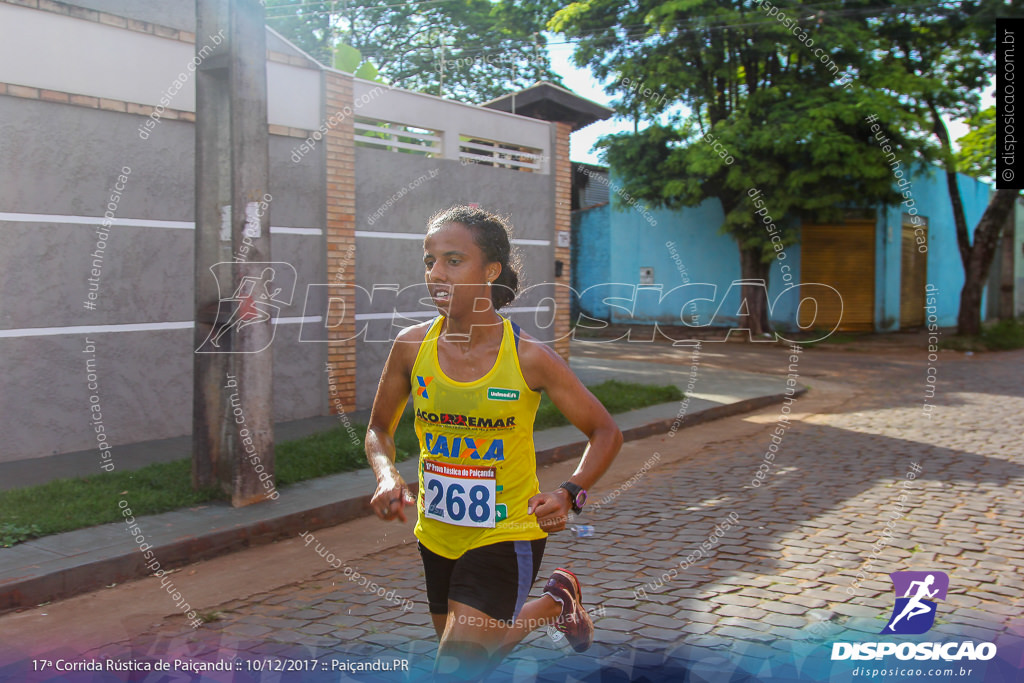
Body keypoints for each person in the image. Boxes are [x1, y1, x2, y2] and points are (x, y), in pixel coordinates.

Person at [365, 206, 623, 679]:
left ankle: (551, 602)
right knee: (469, 655)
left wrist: (571, 492)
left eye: (453, 260)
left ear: (491, 270)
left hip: (507, 533)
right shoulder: (410, 347)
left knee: (455, 665)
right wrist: (387, 475)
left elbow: (605, 431)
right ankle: (554, 604)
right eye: (429, 261)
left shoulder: (530, 357)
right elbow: (378, 429)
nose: (436, 274)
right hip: (437, 533)